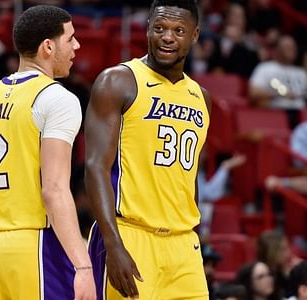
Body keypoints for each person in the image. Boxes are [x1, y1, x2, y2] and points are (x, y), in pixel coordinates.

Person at [0, 5, 96, 300]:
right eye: (70, 38)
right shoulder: (58, 98)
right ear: (48, 46)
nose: (77, 45)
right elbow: (54, 190)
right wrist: (83, 266)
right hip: (37, 246)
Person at [85, 0, 210, 299]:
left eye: (179, 30)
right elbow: (95, 167)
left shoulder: (200, 97)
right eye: (160, 28)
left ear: (194, 36)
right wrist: (112, 244)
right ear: (148, 30)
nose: (168, 37)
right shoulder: (118, 81)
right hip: (130, 235)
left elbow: (189, 177)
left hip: (184, 244)